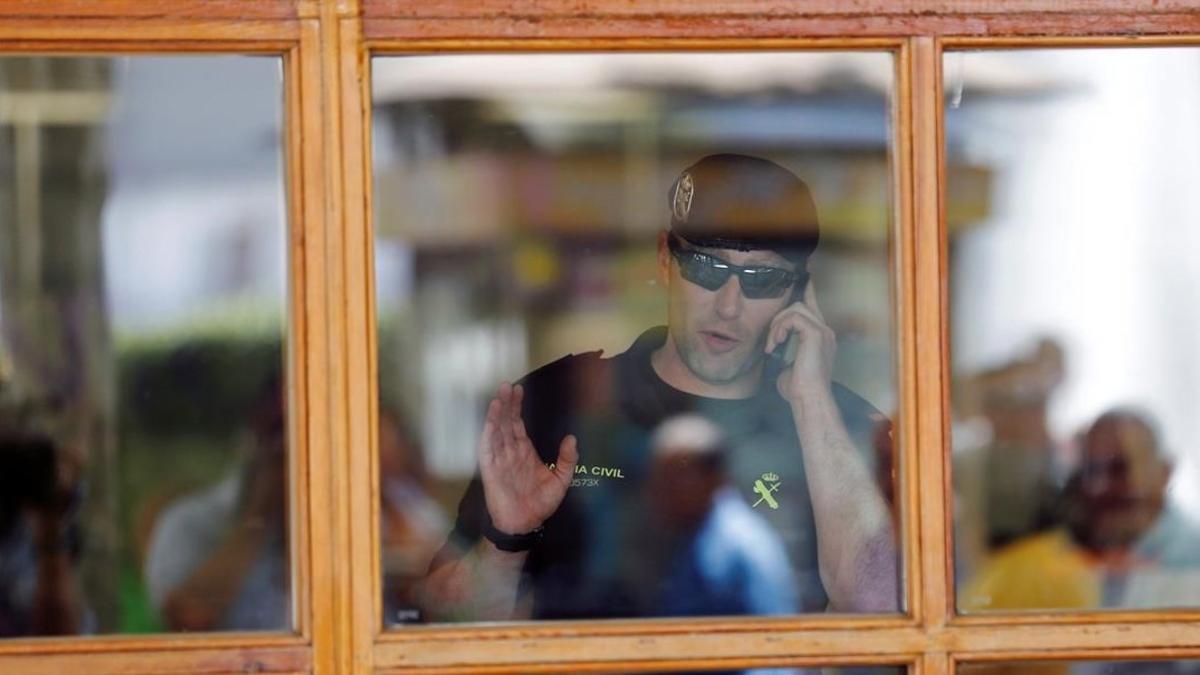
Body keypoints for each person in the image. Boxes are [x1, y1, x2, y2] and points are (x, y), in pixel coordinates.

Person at [414, 153, 898, 622]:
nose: (728, 306)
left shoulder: (840, 428)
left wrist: (813, 401)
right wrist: (504, 543)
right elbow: (440, 621)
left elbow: (882, 606)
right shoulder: (557, 403)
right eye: (707, 269)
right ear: (666, 259)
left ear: (796, 293)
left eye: (762, 280)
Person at [961, 408, 1200, 614]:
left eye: (1119, 469)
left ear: (1165, 472)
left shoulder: (1191, 560)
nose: (1101, 488)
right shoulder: (1048, 563)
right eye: (1092, 471)